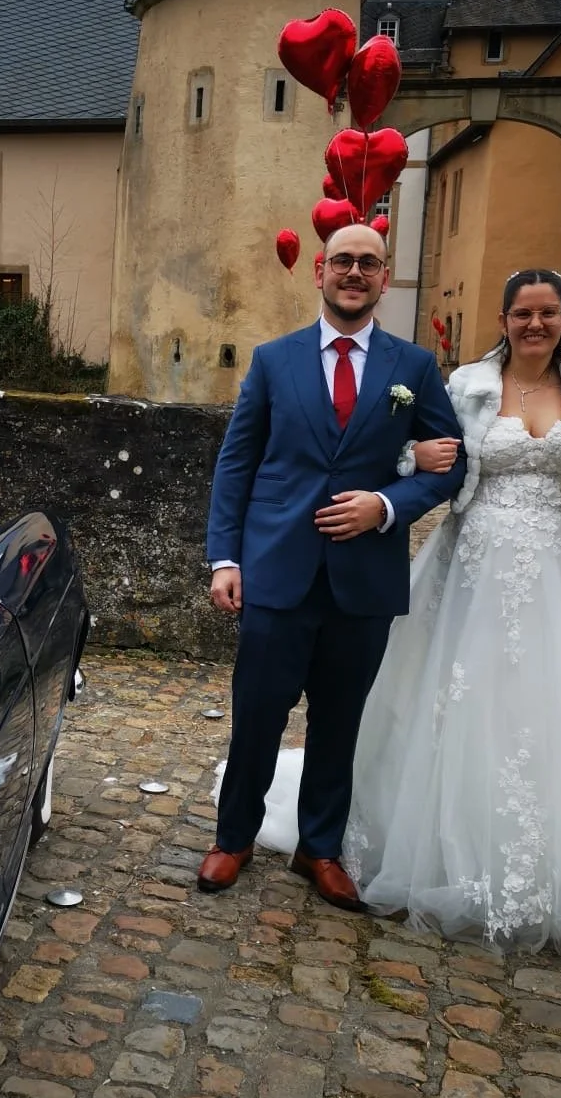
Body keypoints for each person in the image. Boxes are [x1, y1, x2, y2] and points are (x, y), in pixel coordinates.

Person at [255, 267, 561, 962]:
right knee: (452, 698)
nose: (535, 324)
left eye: (548, 313)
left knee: (556, 708)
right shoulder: (467, 384)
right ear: (504, 320)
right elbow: (401, 453)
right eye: (522, 313)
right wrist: (411, 456)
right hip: (470, 564)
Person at [199, 224, 466, 908]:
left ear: (384, 277)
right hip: (276, 569)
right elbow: (237, 462)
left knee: (340, 722)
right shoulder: (273, 360)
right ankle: (233, 838)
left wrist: (386, 504)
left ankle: (320, 848)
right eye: (343, 260)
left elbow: (449, 461)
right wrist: (225, 557)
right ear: (319, 270)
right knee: (257, 714)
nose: (355, 272)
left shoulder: (414, 368)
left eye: (368, 263)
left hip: (364, 577)